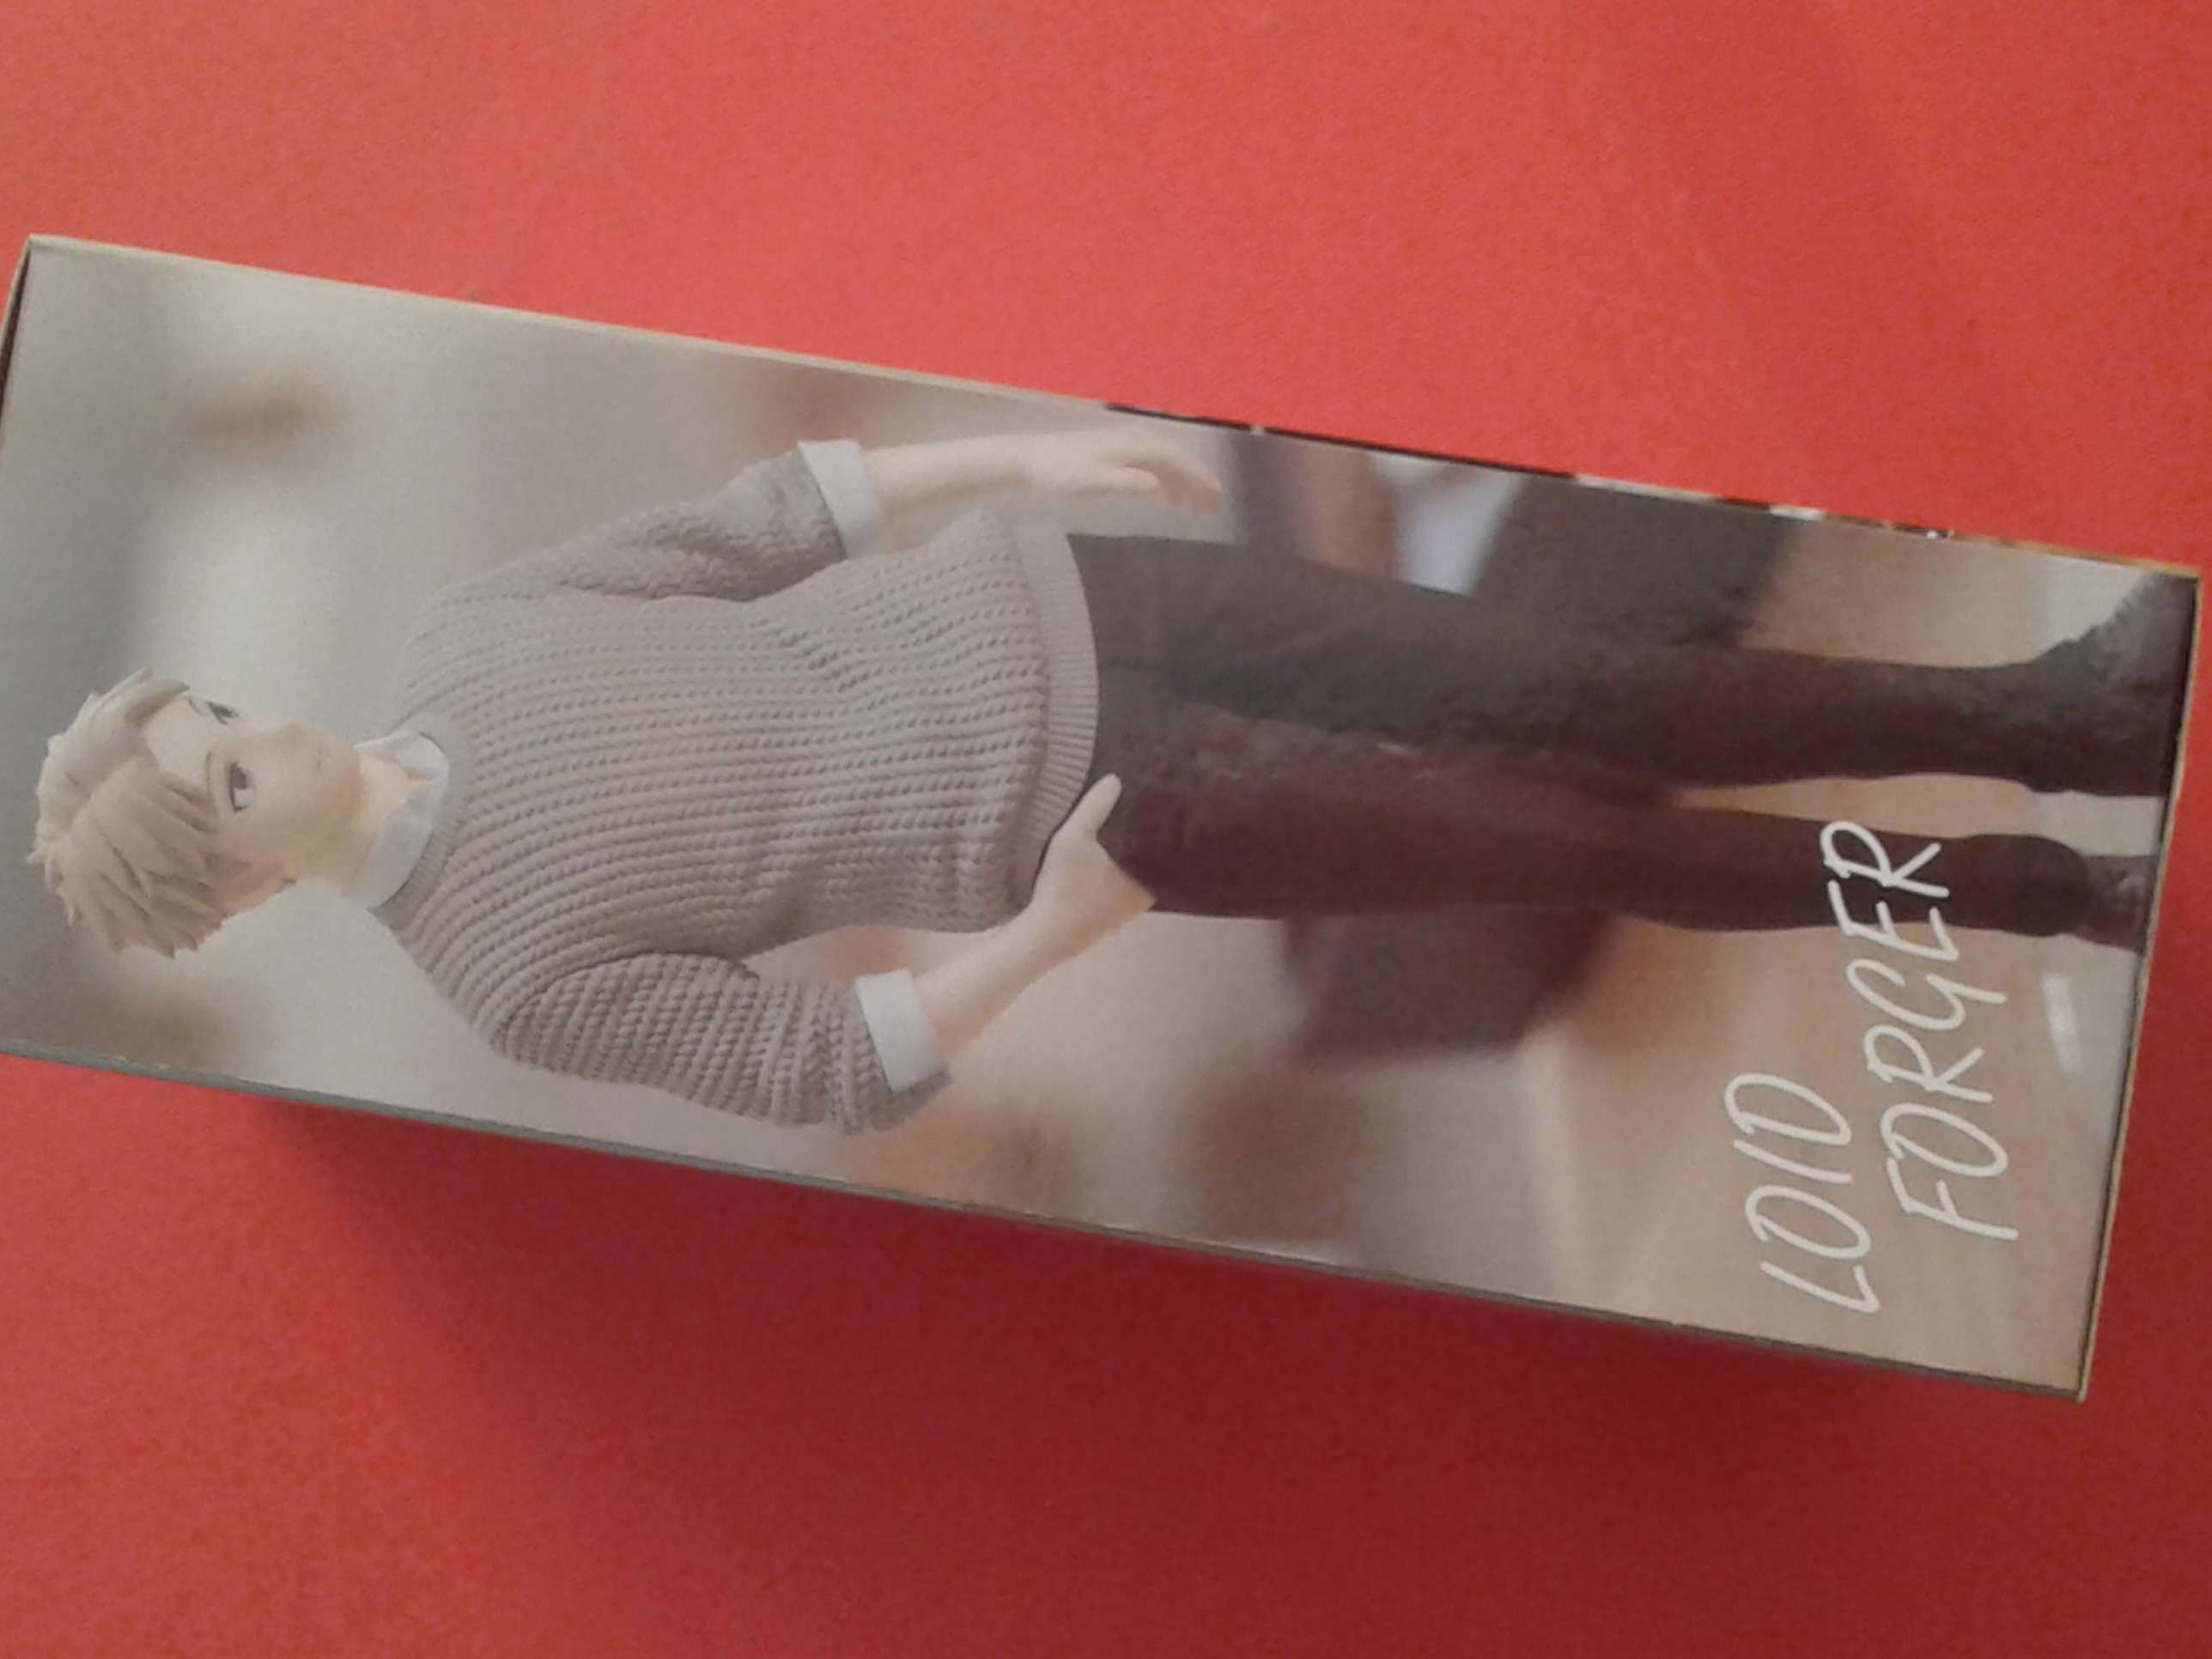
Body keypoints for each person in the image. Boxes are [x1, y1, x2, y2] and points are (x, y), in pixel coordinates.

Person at [27, 427, 2191, 1132]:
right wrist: (1061, 925)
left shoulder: (464, 641)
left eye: (222, 724)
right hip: (1127, 813)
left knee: (1586, 685)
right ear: (241, 889)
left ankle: (2063, 718)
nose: (266, 746)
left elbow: (759, 522)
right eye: (229, 794)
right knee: (1582, 839)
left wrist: (1023, 457)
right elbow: (825, 1063)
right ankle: (2033, 892)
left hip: (1099, 589)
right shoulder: (510, 976)